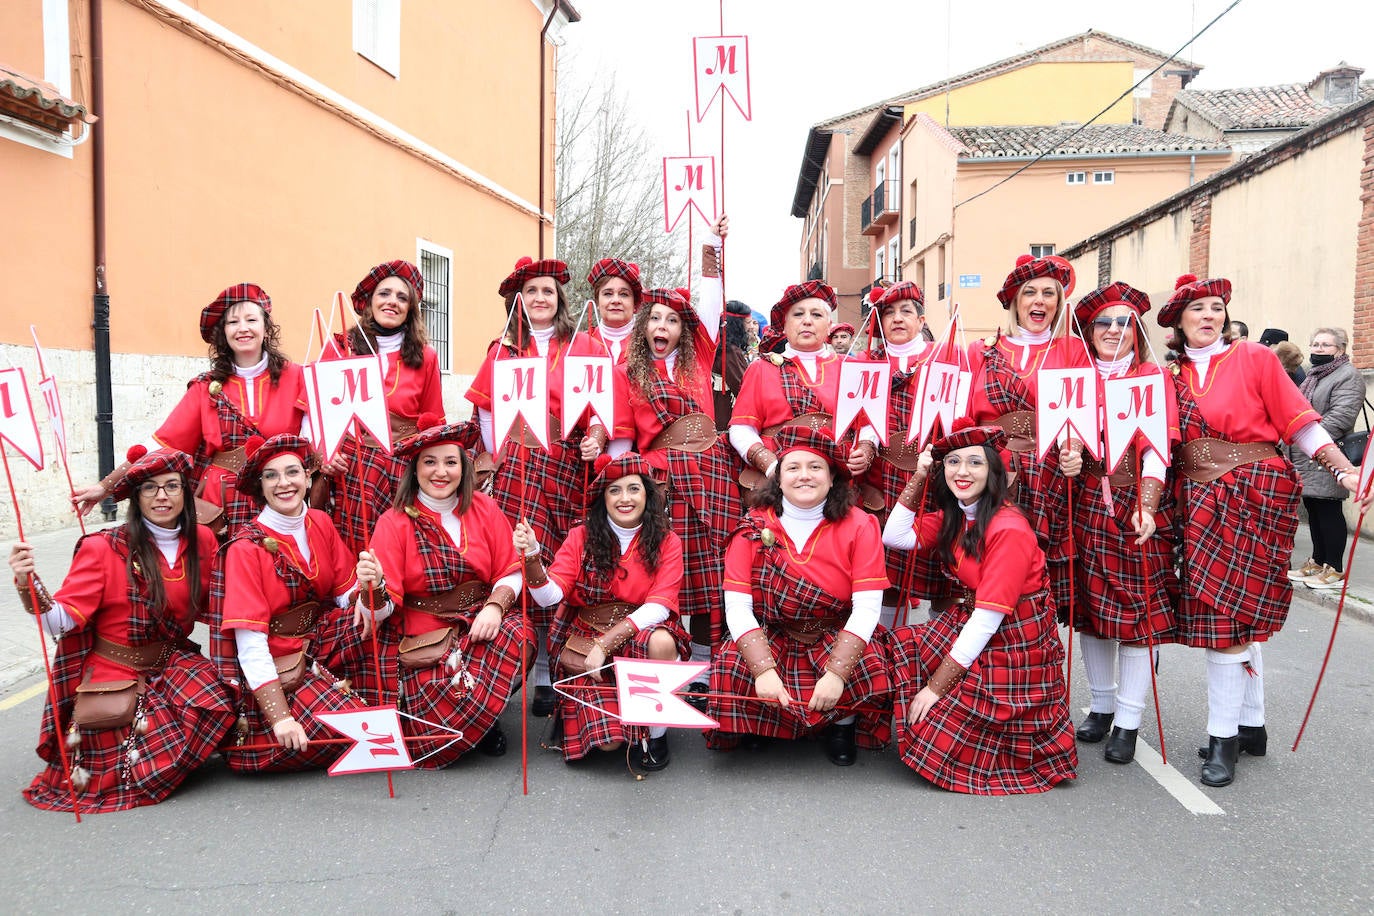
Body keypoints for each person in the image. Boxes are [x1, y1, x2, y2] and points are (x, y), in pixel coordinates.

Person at [1161, 274, 1372, 787]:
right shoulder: (1164, 375)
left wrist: (1342, 467)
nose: (1210, 316)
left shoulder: (1254, 358)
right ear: (1178, 322)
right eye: (1198, 310)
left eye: (1217, 308)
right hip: (1196, 499)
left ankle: (1222, 739)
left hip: (1255, 492)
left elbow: (1299, 422)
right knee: (1229, 613)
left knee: (1232, 615)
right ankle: (1251, 726)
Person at [9, 446, 233, 811]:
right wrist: (27, 583)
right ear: (136, 497)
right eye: (150, 488)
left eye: (172, 486)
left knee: (218, 703)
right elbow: (61, 620)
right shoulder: (102, 548)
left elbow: (220, 607)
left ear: (185, 493)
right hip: (117, 669)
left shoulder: (204, 541)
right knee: (127, 767)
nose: (162, 496)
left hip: (171, 661)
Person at [883, 422, 1077, 794]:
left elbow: (987, 620)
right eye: (953, 462)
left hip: (1016, 642)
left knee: (935, 743)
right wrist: (920, 476)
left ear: (993, 473)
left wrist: (935, 689)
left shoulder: (1009, 528)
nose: (962, 471)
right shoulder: (958, 515)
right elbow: (894, 536)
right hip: (976, 621)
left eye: (975, 463)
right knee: (898, 650)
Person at [605, 219, 739, 693]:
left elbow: (709, 300)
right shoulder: (625, 371)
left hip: (711, 474)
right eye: (656, 318)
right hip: (661, 482)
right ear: (644, 327)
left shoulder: (700, 356)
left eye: (673, 320)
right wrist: (621, 484)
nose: (663, 326)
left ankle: (706, 668)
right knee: (674, 574)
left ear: (685, 329)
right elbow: (622, 440)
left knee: (714, 572)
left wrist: (711, 243)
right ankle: (671, 666)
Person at [465, 256, 600, 716]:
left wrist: (595, 440)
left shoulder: (583, 343)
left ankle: (553, 667)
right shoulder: (503, 348)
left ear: (559, 298)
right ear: (517, 302)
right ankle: (534, 669)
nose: (540, 298)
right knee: (521, 559)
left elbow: (599, 407)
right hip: (519, 464)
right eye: (532, 292)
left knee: (556, 564)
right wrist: (499, 455)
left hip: (563, 464)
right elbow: (485, 412)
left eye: (548, 291)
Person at [707, 427, 891, 766]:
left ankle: (842, 725)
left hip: (832, 631)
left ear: (833, 476)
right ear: (778, 477)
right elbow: (737, 606)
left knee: (867, 663)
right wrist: (763, 670)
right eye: (793, 468)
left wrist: (836, 673)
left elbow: (867, 607)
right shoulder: (751, 526)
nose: (804, 476)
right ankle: (762, 723)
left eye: (815, 467)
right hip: (775, 631)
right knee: (734, 661)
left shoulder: (862, 524)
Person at [355, 420, 529, 766]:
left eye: (450, 462)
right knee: (446, 688)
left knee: (518, 635)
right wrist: (372, 588)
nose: (441, 472)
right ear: (414, 469)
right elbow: (381, 610)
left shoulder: (485, 507)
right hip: (425, 631)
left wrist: (494, 608)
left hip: (480, 619)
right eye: (429, 462)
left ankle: (482, 719)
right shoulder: (393, 522)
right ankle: (475, 723)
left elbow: (511, 570)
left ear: (463, 468)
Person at [72, 284, 307, 534]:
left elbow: (317, 439)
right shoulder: (205, 387)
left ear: (265, 327)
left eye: (251, 319)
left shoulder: (297, 377)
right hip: (223, 500)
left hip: (282, 491)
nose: (243, 328)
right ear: (223, 332)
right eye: (233, 322)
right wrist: (105, 486)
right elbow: (162, 446)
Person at [1058, 283, 1178, 764]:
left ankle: (1128, 719)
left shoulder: (1151, 376)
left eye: (1125, 323)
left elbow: (1156, 451)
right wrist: (1068, 458)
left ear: (1138, 332)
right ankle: (1101, 706)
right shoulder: (1074, 377)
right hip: (1086, 500)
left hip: (1132, 503)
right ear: (1089, 331)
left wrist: (1146, 506)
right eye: (1104, 323)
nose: (1114, 331)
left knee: (1134, 618)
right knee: (1093, 612)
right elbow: (1066, 437)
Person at [514, 454, 691, 769]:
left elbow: (660, 607)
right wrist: (531, 557)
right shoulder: (580, 536)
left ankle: (657, 731)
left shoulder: (668, 541)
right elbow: (548, 597)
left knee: (662, 641)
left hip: (641, 632)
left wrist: (605, 644)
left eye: (634, 489)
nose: (625, 498)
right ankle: (617, 723)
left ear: (647, 496)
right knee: (609, 743)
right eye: (615, 490)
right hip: (586, 635)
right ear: (603, 498)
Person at [211, 434, 369, 772]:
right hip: (280, 663)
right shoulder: (245, 548)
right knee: (356, 727)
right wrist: (281, 718)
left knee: (381, 633)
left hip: (320, 642)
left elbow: (346, 595)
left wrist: (374, 587)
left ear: (308, 477)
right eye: (271, 475)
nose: (284, 483)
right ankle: (276, 730)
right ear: (260, 487)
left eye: (292, 472)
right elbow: (250, 643)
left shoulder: (321, 522)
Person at [966, 254, 1088, 619]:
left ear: (1059, 303)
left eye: (1049, 293)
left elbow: (1081, 414)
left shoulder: (1074, 350)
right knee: (988, 567)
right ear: (1014, 302)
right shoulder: (981, 351)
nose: (1039, 301)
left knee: (1041, 576)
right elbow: (964, 419)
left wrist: (1075, 450)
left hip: (1050, 471)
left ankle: (1038, 651)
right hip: (992, 473)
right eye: (1029, 292)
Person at [322, 260, 445, 556]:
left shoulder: (426, 356)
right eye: (384, 294)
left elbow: (434, 422)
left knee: (403, 546)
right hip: (353, 465)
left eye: (402, 297)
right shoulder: (340, 347)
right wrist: (326, 454)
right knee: (355, 548)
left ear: (411, 309)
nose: (392, 302)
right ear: (368, 302)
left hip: (404, 467)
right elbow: (317, 413)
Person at [863, 282, 955, 627]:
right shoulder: (865, 363)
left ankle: (936, 657)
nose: (897, 319)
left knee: (946, 580)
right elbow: (859, 419)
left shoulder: (945, 357)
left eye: (906, 312)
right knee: (888, 582)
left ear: (921, 319)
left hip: (937, 477)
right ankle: (889, 658)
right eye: (889, 313)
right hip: (881, 481)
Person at [729, 281, 878, 491]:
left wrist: (865, 448)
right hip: (777, 480)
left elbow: (869, 423)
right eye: (798, 314)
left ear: (829, 325)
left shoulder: (853, 368)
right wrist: (771, 465)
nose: (807, 321)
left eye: (816, 315)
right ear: (784, 325)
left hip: (839, 478)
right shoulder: (761, 368)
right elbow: (741, 428)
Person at [1289, 327, 1368, 590]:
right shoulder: (1314, 375)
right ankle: (1318, 561)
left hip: (1329, 453)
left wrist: (1308, 435)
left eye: (1325, 345)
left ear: (1341, 350)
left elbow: (1342, 416)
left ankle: (1334, 568)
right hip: (1307, 453)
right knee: (1313, 508)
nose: (1318, 349)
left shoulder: (1348, 375)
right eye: (1315, 344)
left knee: (1329, 509)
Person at [586, 258, 641, 363]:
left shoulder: (649, 343)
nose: (616, 300)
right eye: (608, 294)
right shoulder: (580, 343)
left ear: (635, 303)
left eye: (624, 294)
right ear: (597, 302)